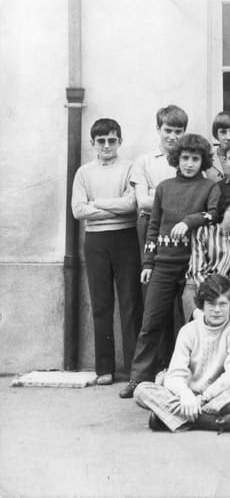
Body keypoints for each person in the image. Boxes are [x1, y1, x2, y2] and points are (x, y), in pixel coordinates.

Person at [120, 134, 221, 399]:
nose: (189, 163)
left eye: (195, 159)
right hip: (163, 266)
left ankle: (192, 381)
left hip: (194, 267)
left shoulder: (210, 187)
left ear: (203, 161)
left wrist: (189, 221)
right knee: (151, 322)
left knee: (192, 325)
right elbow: (153, 227)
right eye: (185, 158)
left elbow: (215, 214)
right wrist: (148, 263)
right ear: (177, 159)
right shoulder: (164, 187)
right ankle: (138, 379)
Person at [133, 275, 230, 433]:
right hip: (187, 395)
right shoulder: (188, 330)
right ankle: (213, 421)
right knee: (141, 390)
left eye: (223, 304)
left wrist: (203, 399)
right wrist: (186, 395)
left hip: (219, 394)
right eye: (211, 304)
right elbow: (174, 374)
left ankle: (174, 418)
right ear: (202, 306)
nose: (217, 310)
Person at [71, 118, 143, 386]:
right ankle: (105, 368)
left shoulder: (130, 167)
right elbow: (78, 210)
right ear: (93, 143)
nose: (106, 145)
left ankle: (135, 369)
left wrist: (98, 203)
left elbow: (131, 205)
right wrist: (113, 208)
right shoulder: (83, 173)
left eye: (112, 140)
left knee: (130, 303)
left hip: (125, 238)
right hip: (95, 241)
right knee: (101, 304)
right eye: (101, 141)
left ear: (120, 142)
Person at [182, 188, 230, 323]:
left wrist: (226, 293)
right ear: (224, 210)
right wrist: (214, 292)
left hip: (229, 290)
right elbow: (197, 270)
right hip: (198, 287)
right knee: (201, 322)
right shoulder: (203, 232)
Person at [130, 104, 187, 255]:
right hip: (151, 223)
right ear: (158, 129)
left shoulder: (190, 162)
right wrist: (182, 200)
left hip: (182, 224)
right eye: (167, 130)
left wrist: (155, 193)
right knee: (150, 265)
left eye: (178, 132)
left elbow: (198, 199)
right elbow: (143, 202)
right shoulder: (144, 161)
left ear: (184, 132)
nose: (172, 137)